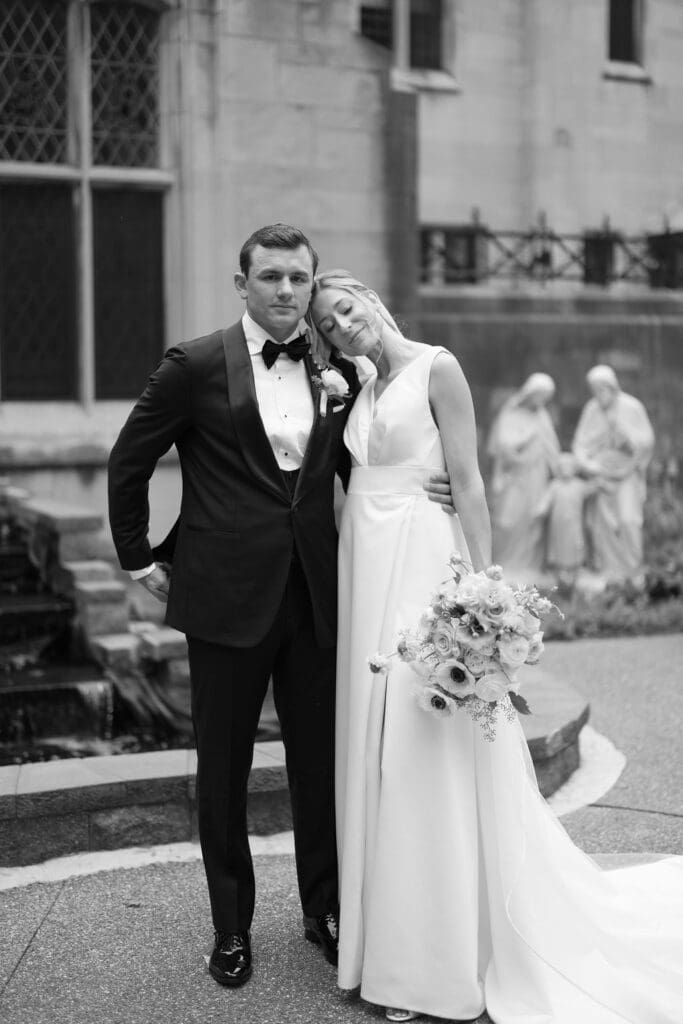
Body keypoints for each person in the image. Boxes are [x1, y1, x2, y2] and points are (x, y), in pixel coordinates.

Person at [309, 269, 683, 1024]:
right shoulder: (357, 387)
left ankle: (435, 964)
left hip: (418, 564)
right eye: (328, 324)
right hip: (363, 569)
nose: (342, 327)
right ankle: (385, 939)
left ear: (373, 298)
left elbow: (469, 481)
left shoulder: (437, 367)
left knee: (425, 742)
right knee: (376, 746)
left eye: (346, 309)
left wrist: (483, 594)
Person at [107, 224, 452, 990]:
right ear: (242, 284)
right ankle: (231, 928)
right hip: (223, 598)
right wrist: (139, 556)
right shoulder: (193, 365)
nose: (287, 291)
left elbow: (393, 443)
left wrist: (446, 483)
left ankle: (324, 912)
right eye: (270, 277)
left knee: (319, 767)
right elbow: (129, 460)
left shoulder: (342, 368)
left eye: (299, 277)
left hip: (321, 595)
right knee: (223, 771)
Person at [572, 364, 655, 585]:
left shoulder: (632, 406)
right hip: (601, 475)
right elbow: (580, 444)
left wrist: (628, 439)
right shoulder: (592, 409)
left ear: (612, 386)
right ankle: (609, 570)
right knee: (603, 524)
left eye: (601, 389)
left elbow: (646, 441)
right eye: (594, 390)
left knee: (628, 520)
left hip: (627, 473)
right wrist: (590, 466)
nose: (598, 395)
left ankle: (632, 570)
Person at [487, 373, 560, 580]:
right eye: (540, 396)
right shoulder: (510, 413)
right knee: (508, 521)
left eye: (546, 398)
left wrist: (561, 470)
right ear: (530, 393)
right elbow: (502, 446)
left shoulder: (542, 416)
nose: (542, 402)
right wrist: (525, 438)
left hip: (536, 476)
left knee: (532, 522)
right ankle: (505, 565)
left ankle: (529, 566)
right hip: (514, 477)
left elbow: (551, 446)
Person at [536, 451, 605, 589]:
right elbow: (546, 499)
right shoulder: (555, 485)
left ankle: (574, 571)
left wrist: (598, 477)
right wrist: (541, 508)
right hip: (558, 525)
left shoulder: (578, 485)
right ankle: (560, 572)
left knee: (575, 544)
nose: (565, 469)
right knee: (559, 545)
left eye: (568, 466)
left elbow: (592, 488)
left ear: (574, 469)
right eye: (562, 467)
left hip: (574, 524)